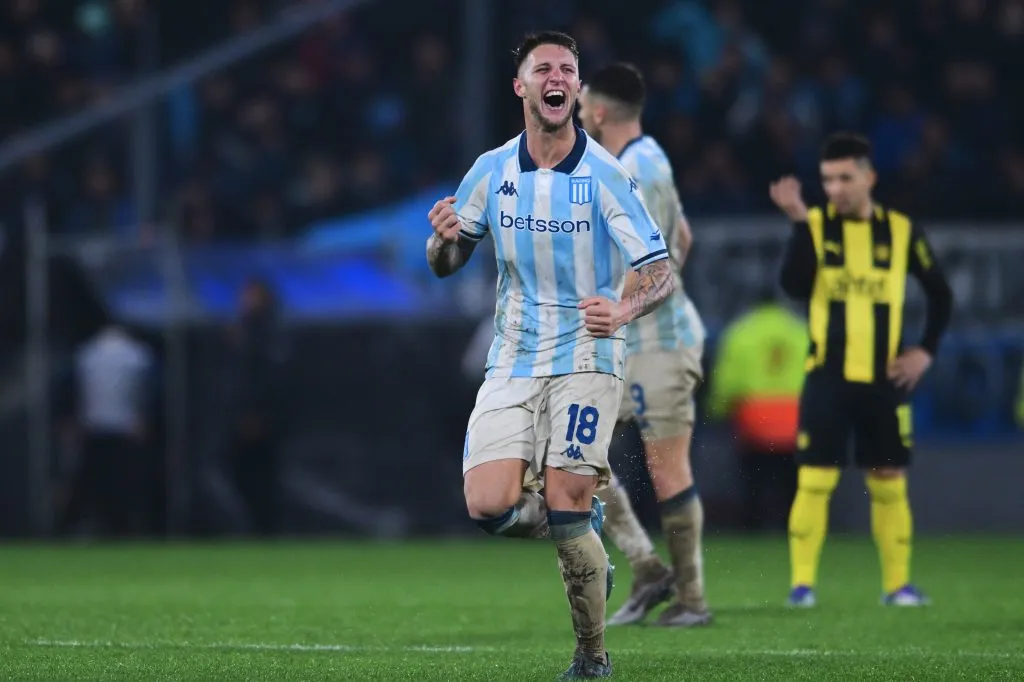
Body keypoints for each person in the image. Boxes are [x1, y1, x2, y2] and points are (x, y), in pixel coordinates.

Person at [426, 31, 674, 680]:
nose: (558, 76)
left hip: (589, 357)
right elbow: (450, 262)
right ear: (523, 87)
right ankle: (581, 526)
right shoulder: (490, 170)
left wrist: (622, 310)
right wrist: (442, 242)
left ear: (577, 91)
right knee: (488, 507)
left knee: (565, 496)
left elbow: (658, 268)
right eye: (545, 68)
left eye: (569, 68)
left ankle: (591, 656)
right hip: (512, 359)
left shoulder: (607, 175)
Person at [770, 132, 954, 608]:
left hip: (884, 379)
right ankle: (801, 586)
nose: (834, 188)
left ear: (868, 177)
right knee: (815, 481)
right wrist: (797, 222)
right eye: (827, 179)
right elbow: (793, 285)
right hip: (827, 378)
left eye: (844, 178)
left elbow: (940, 292)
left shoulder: (901, 230)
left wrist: (925, 351)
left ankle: (897, 587)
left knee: (889, 481)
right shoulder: (814, 225)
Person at [577, 62, 710, 628]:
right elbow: (683, 237)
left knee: (667, 470)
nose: (579, 109)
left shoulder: (636, 168)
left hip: (658, 342)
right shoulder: (640, 159)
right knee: (580, 455)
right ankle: (648, 566)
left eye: (584, 102)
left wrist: (619, 307)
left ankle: (692, 600)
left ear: (600, 112)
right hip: (635, 339)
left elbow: (655, 261)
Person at [707, 288, 807, 532]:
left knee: (755, 480)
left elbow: (728, 381)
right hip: (795, 418)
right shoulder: (800, 330)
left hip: (755, 419)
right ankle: (791, 528)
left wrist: (716, 410)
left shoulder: (741, 331)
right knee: (791, 483)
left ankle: (755, 527)